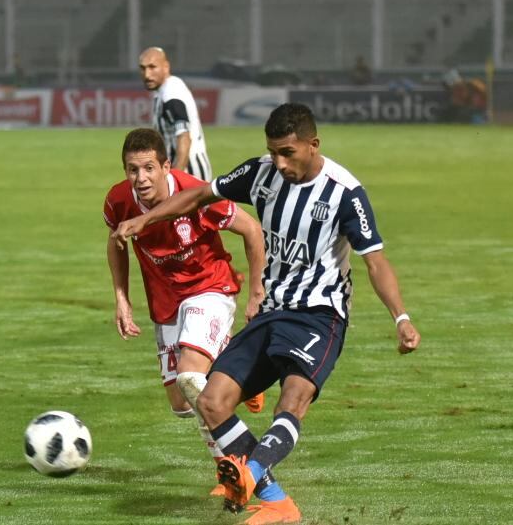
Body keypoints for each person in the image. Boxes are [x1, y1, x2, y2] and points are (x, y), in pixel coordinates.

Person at [112, 104, 421, 525]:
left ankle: (251, 473)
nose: (279, 162)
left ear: (313, 145)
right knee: (209, 401)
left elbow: (375, 261)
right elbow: (200, 193)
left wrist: (401, 318)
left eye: (288, 153)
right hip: (271, 313)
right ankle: (277, 502)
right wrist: (145, 219)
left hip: (318, 316)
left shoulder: (344, 193)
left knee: (292, 399)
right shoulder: (262, 173)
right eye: (273, 152)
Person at [104, 128, 267, 495]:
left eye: (148, 168)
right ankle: (241, 377)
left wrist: (257, 289)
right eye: (132, 170)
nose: (141, 178)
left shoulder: (196, 192)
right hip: (166, 302)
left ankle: (236, 470)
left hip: (210, 288)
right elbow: (116, 242)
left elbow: (252, 230)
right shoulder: (118, 201)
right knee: (181, 403)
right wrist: (121, 296)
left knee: (192, 379)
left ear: (165, 166)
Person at [139, 46, 212, 180]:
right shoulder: (164, 91)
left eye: (152, 67)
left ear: (166, 67)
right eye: (143, 68)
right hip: (179, 165)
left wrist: (177, 178)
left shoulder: (171, 95)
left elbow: (184, 136)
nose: (147, 74)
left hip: (189, 168)